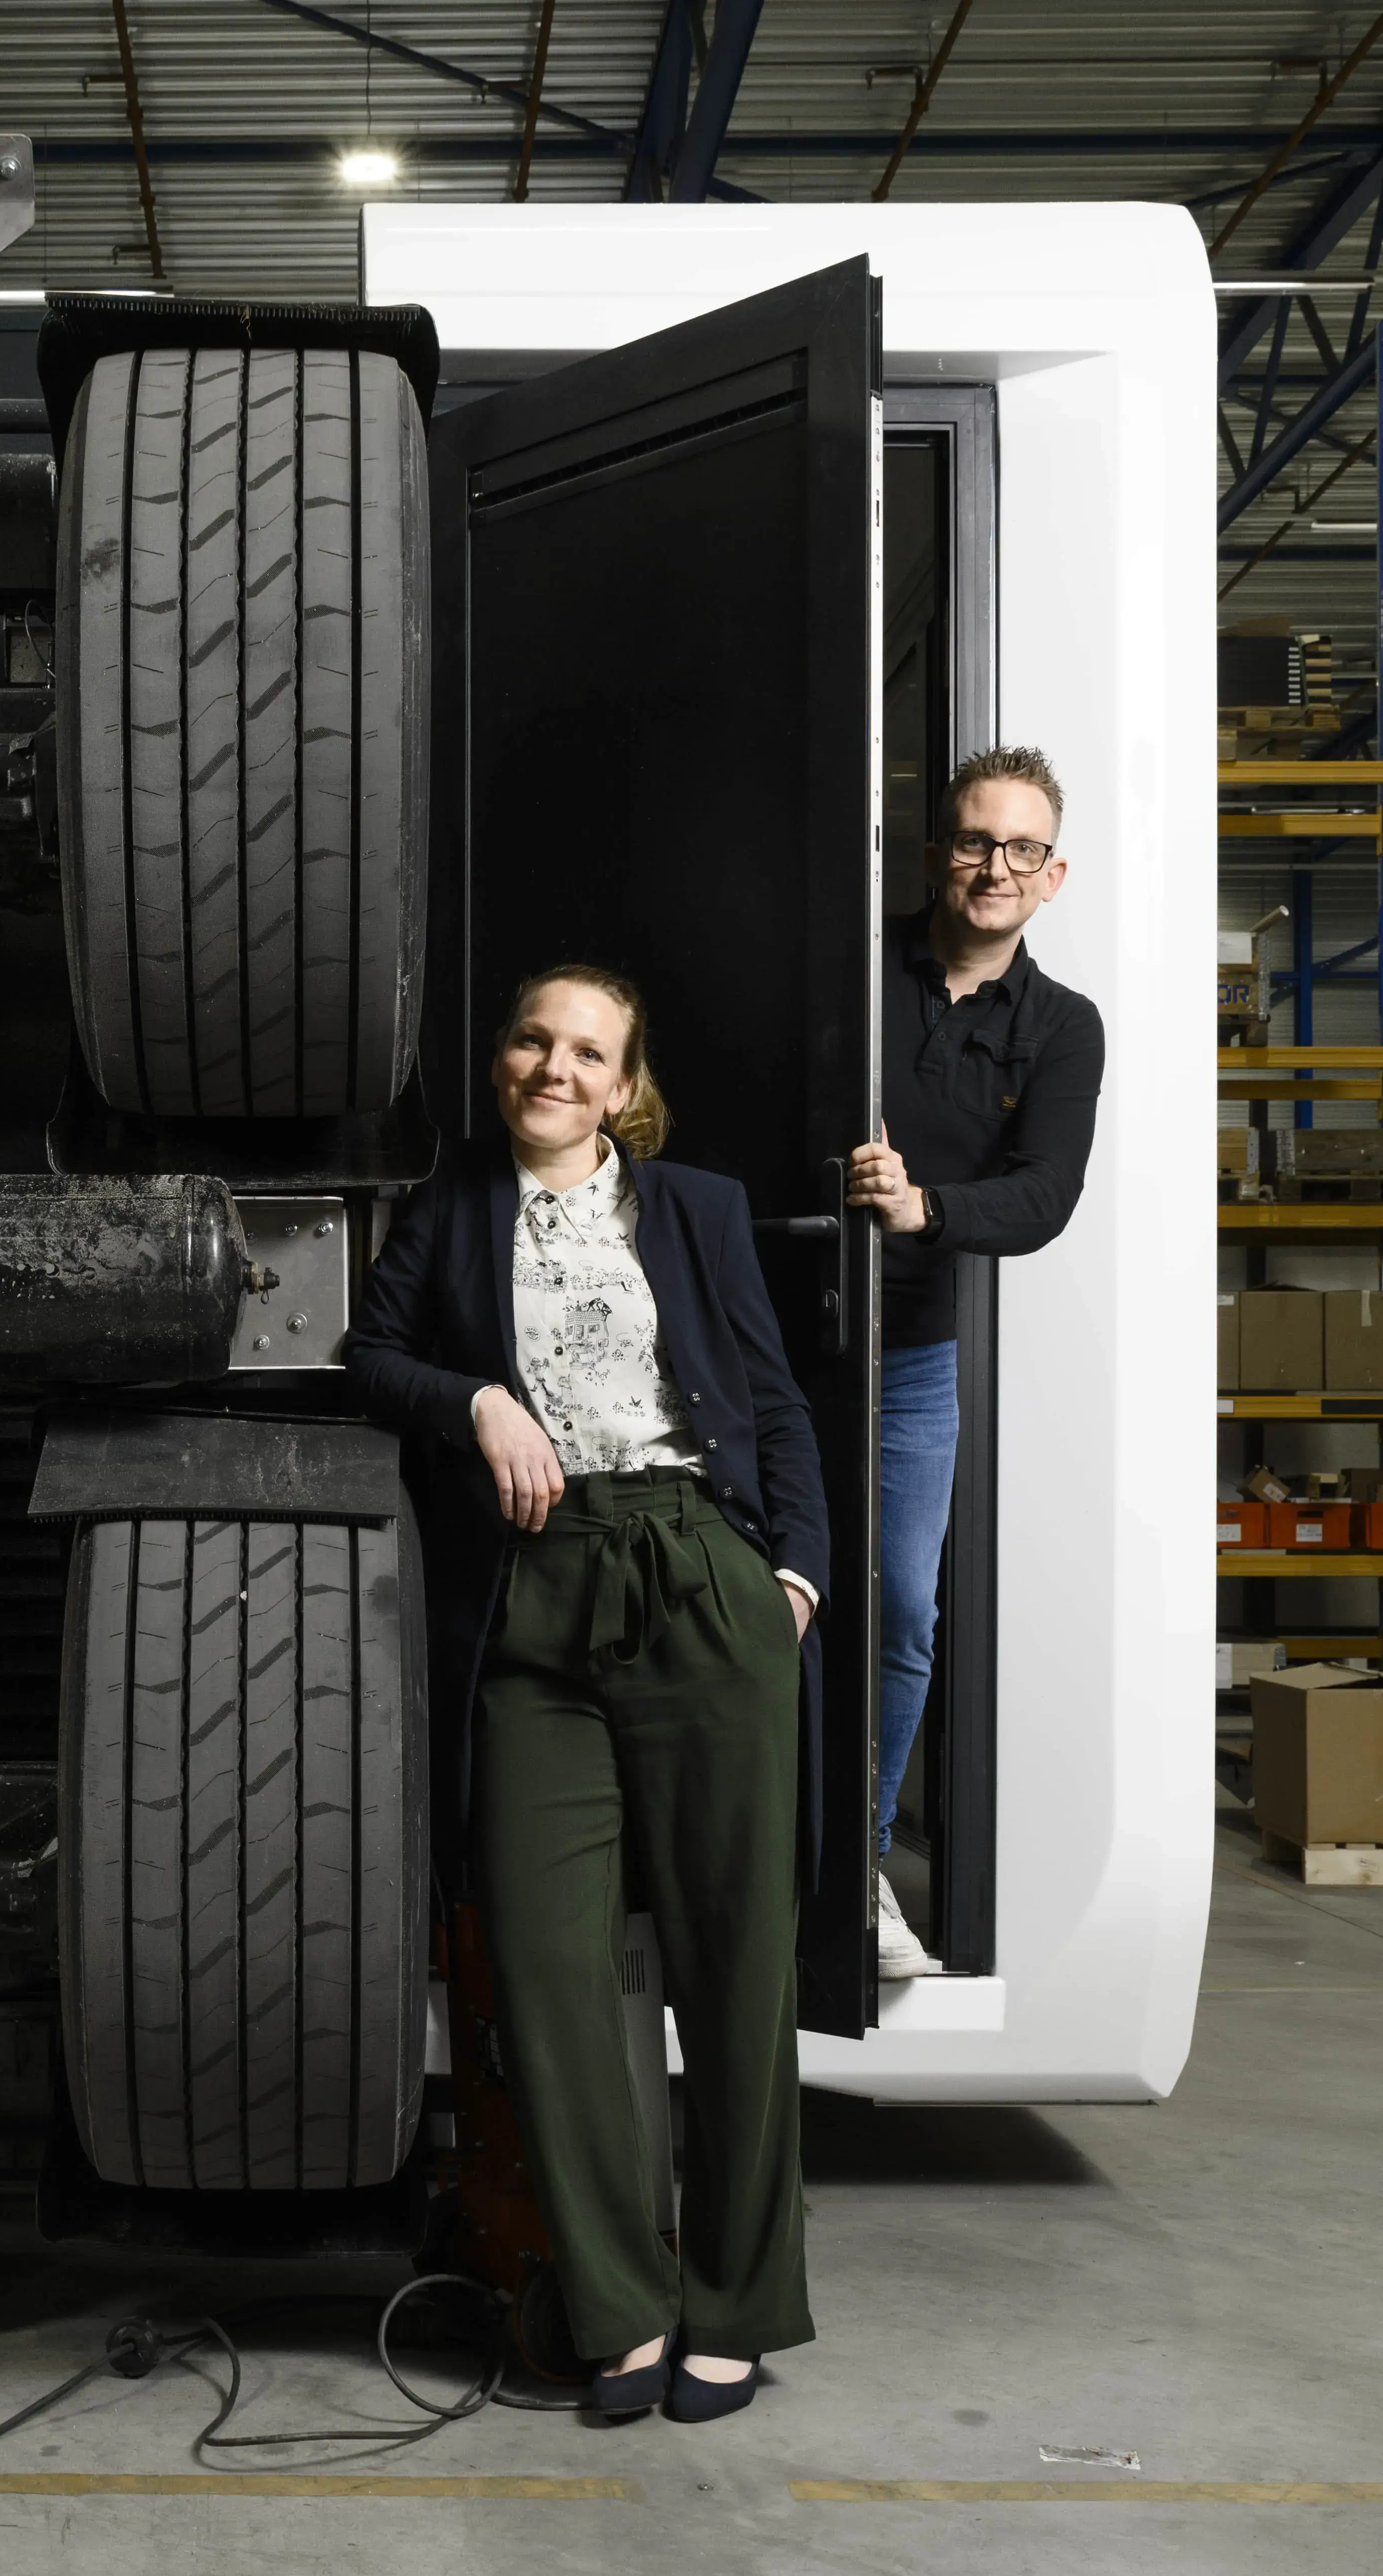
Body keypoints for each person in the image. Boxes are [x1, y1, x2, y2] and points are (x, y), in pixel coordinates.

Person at [344, 965, 831, 2425]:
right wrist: (478, 1401)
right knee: (547, 1976)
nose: (553, 1069)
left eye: (587, 1053)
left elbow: (774, 1395)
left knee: (737, 1966)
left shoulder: (695, 1211)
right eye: (533, 1042)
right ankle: (621, 2304)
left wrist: (795, 1577)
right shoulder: (446, 1212)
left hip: (698, 1576)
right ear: (504, 1061)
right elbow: (369, 1359)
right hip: (532, 1602)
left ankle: (737, 2306)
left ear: (626, 1086)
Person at [843, 745, 1105, 1979]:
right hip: (780, 1342)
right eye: (971, 841)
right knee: (744, 1602)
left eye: (1019, 851)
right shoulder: (849, 965)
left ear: (1052, 877)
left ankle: (854, 1870)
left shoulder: (1062, 1028)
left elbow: (1045, 1195)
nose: (990, 869)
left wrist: (925, 1210)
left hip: (912, 1358)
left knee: (899, 1609)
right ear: (938, 851)